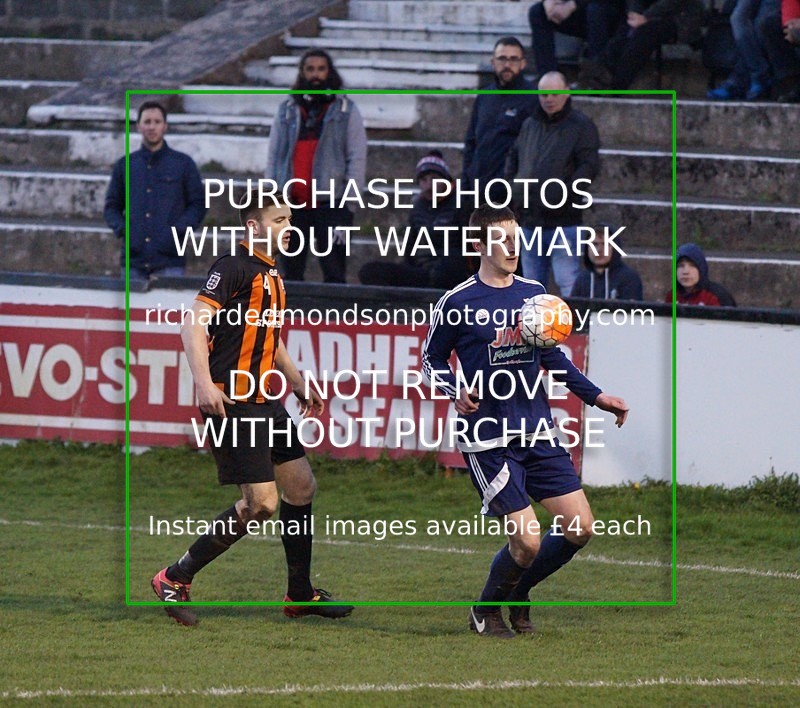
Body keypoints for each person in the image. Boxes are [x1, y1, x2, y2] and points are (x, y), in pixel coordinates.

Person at [421, 204, 629, 638]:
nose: (512, 246)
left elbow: (552, 355)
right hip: (488, 439)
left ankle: (515, 591)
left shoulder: (535, 294)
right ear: (478, 245)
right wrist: (454, 389)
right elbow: (430, 359)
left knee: (580, 527)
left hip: (536, 430)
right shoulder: (456, 302)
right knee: (528, 539)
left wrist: (597, 396)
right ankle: (485, 611)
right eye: (502, 238)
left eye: (516, 237)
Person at [150, 191, 353, 626]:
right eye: (278, 219)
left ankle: (300, 594)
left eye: (289, 219)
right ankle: (174, 576)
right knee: (261, 504)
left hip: (266, 401)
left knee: (300, 488)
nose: (288, 227)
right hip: (233, 401)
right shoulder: (233, 267)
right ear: (253, 226)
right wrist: (203, 382)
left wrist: (299, 383)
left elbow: (269, 339)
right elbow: (193, 322)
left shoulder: (273, 274)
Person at [265, 49, 367, 283]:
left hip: (332, 205)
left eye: (321, 69)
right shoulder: (287, 111)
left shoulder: (346, 111)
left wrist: (349, 205)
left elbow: (356, 156)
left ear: (330, 73)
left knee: (334, 272)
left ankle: (335, 320)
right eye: (310, 69)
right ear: (302, 73)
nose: (315, 75)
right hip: (291, 205)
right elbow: (274, 156)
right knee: (290, 274)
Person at [505, 71, 599, 296]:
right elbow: (514, 158)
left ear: (566, 92)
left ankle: (575, 330)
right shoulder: (529, 124)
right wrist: (514, 190)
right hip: (529, 222)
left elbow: (588, 167)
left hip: (563, 223)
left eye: (554, 93)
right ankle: (534, 331)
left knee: (568, 284)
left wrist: (564, 197)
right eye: (544, 94)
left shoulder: (581, 126)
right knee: (530, 289)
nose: (549, 98)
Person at [104, 101, 206, 280]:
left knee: (168, 309)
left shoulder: (183, 164)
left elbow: (198, 205)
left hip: (170, 260)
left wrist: (177, 232)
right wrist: (125, 231)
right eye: (147, 122)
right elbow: (111, 206)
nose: (152, 127)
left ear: (165, 126)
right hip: (133, 262)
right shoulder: (125, 166)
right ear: (138, 127)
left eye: (157, 122)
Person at [358, 150, 467, 289]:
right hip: (423, 271)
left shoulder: (461, 204)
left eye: (434, 179)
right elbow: (410, 249)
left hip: (451, 271)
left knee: (453, 261)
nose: (429, 185)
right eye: (424, 180)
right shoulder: (418, 208)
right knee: (370, 271)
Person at [462, 37, 535, 204]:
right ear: (493, 62)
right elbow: (471, 143)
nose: (507, 64)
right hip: (477, 193)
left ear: (523, 63)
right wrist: (467, 185)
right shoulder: (484, 96)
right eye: (502, 58)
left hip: (511, 198)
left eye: (513, 59)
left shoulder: (533, 98)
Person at [576, 0, 705, 90]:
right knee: (626, 28)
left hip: (680, 18)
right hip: (647, 15)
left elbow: (672, 3)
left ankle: (617, 85)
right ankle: (599, 71)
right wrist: (634, 15)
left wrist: (646, 17)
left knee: (647, 32)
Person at [528, 0, 624, 75]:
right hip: (579, 12)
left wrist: (573, 5)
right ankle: (548, 77)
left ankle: (595, 76)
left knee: (595, 11)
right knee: (537, 12)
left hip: (610, 12)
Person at [571, 226, 644, 300]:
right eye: (594, 244)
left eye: (605, 244)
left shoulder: (629, 278)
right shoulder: (582, 279)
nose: (599, 250)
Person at [664, 243, 736, 306]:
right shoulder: (672, 297)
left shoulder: (717, 297)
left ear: (701, 269)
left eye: (692, 266)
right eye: (680, 266)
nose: (685, 272)